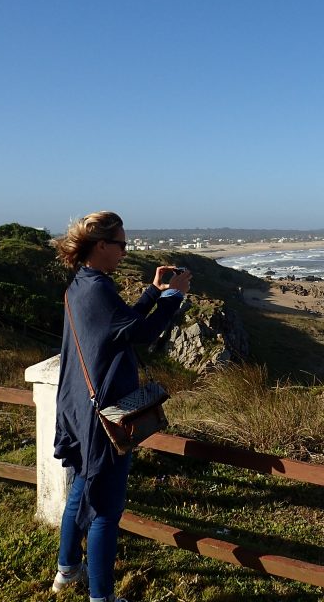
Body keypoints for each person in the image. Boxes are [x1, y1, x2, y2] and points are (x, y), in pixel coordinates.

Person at [49, 211, 191, 602]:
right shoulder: (97, 290)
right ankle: (101, 597)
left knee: (81, 488)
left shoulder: (82, 284)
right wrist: (173, 295)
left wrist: (152, 292)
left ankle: (66, 571)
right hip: (104, 416)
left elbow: (120, 325)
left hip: (80, 407)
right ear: (101, 246)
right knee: (106, 511)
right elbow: (141, 332)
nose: (125, 252)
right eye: (122, 244)